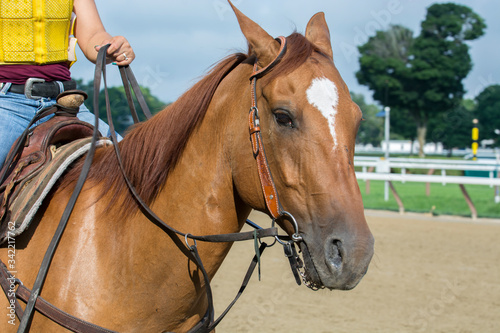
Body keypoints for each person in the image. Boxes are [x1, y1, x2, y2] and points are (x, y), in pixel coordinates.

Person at [0, 0, 135, 166]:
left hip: (65, 104)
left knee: (131, 166)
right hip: (6, 105)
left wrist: (111, 47)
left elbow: (93, 34)